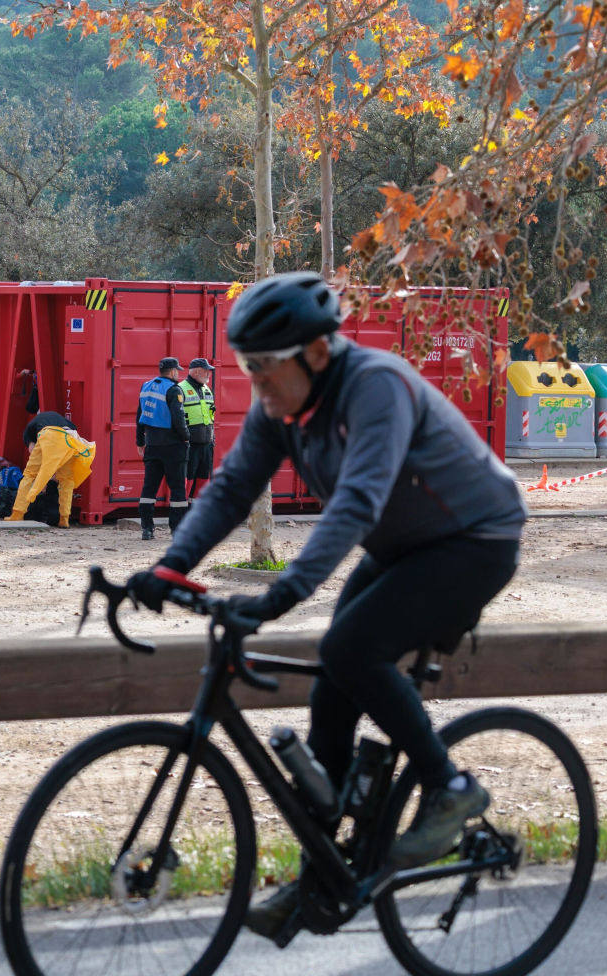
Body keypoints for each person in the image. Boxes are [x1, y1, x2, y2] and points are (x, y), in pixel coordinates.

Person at [126, 271, 526, 941]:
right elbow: (228, 491)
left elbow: (357, 501)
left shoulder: (376, 386)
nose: (255, 383)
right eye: (245, 367)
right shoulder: (280, 409)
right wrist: (170, 565)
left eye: (264, 367)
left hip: (473, 540)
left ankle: (448, 787)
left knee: (348, 649)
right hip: (404, 545)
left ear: (315, 352)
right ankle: (321, 879)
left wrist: (285, 590)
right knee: (330, 692)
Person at [5, 411, 96, 527]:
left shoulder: (28, 434)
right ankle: (64, 518)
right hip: (71, 438)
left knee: (29, 474)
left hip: (50, 434)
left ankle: (17, 514)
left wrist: (43, 480)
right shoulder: (52, 419)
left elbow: (35, 452)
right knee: (66, 480)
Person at [136, 357, 190, 541]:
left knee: (149, 488)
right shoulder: (174, 390)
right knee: (177, 490)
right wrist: (186, 437)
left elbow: (139, 416)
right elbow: (178, 417)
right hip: (173, 446)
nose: (179, 374)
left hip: (151, 444)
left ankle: (147, 529)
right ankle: (177, 530)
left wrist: (139, 441)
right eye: (178, 370)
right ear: (173, 371)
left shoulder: (146, 386)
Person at [182, 358, 217, 499]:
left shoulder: (206, 389)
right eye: (206, 371)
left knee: (203, 482)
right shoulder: (181, 388)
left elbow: (210, 417)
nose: (209, 374)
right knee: (187, 482)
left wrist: (212, 440)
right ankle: (181, 516)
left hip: (206, 445)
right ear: (196, 371)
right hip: (190, 445)